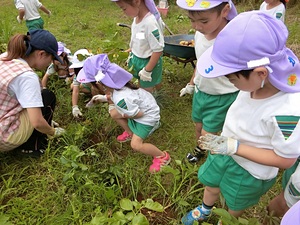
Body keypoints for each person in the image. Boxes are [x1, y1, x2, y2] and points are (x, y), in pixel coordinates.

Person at [181, 11, 300, 224]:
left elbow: (286, 159)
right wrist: (227, 145)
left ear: (261, 73)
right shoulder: (253, 83)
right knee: (212, 183)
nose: (231, 83)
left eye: (232, 78)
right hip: (225, 149)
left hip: (249, 170)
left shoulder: (287, 112)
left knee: (234, 203)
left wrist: (236, 147)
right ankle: (206, 209)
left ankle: (225, 220)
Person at [76, 54, 170, 172]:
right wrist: (105, 98)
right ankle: (131, 132)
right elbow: (116, 98)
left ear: (100, 83)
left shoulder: (122, 99)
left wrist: (127, 115)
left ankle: (161, 156)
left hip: (146, 117)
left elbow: (138, 114)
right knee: (115, 114)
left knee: (136, 145)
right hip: (145, 107)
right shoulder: (119, 86)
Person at [176, 0, 239, 163]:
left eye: (204, 21)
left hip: (222, 96)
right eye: (192, 20)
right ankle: (202, 149)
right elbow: (201, 62)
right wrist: (192, 83)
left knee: (207, 133)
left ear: (225, 11)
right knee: (198, 126)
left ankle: (214, 160)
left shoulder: (233, 40)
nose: (196, 26)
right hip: (202, 91)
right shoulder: (200, 34)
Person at [0, 29, 65, 156]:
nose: (50, 63)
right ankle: (32, 147)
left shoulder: (5, 57)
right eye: (51, 58)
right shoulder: (27, 77)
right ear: (41, 54)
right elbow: (37, 122)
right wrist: (53, 131)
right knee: (47, 96)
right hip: (4, 137)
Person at [111, 0, 164, 93]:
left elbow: (158, 50)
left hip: (148, 61)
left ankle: (154, 100)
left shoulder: (149, 23)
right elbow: (139, 39)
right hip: (137, 59)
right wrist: (130, 51)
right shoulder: (136, 18)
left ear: (137, 1)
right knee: (141, 83)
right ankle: (158, 89)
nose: (123, 12)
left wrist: (147, 70)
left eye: (124, 8)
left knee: (145, 92)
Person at [69, 48, 104, 118]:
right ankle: (93, 96)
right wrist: (74, 107)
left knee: (94, 88)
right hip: (89, 85)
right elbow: (75, 90)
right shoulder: (78, 74)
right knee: (73, 86)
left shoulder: (98, 70)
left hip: (101, 87)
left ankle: (98, 101)